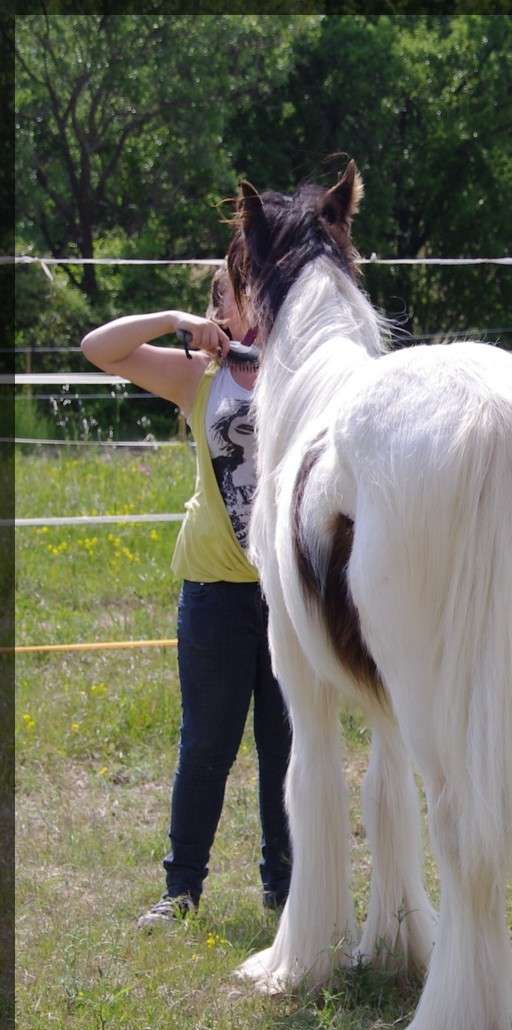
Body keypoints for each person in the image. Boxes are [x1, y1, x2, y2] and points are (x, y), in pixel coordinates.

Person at [80, 266, 292, 925]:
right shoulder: (195, 376)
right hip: (214, 589)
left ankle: (287, 893)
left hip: (290, 592)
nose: (251, 294)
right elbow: (98, 347)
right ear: (221, 307)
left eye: (258, 283)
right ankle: (180, 892)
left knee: (288, 748)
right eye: (237, 288)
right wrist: (176, 320)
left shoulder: (304, 368)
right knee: (206, 744)